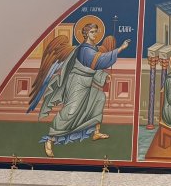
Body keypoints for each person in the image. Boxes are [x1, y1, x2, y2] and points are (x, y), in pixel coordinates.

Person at [31, 23, 131, 158]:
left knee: (99, 98)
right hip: (77, 82)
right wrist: (121, 48)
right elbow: (98, 61)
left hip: (87, 81)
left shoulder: (93, 48)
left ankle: (96, 132)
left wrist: (103, 76)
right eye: (92, 32)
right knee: (71, 111)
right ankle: (50, 139)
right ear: (86, 34)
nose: (95, 34)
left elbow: (92, 68)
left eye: (96, 32)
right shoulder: (84, 50)